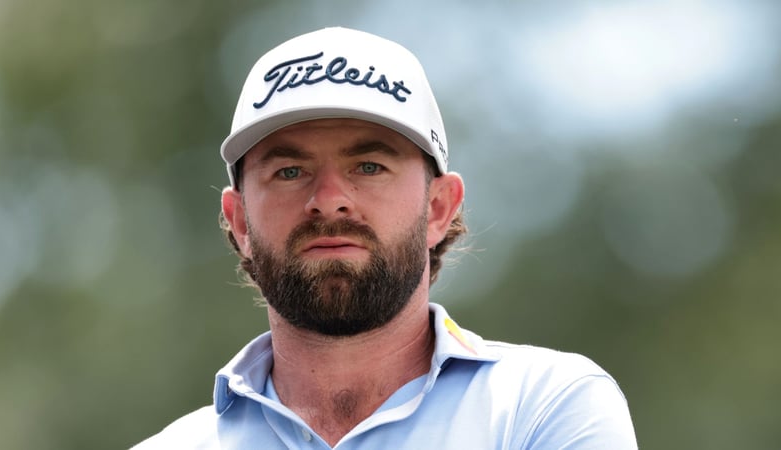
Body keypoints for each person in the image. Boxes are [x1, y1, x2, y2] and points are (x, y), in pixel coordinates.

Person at [134, 27, 638, 449]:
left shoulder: (545, 407)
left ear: (439, 208)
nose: (329, 199)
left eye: (369, 166)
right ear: (240, 220)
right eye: (289, 171)